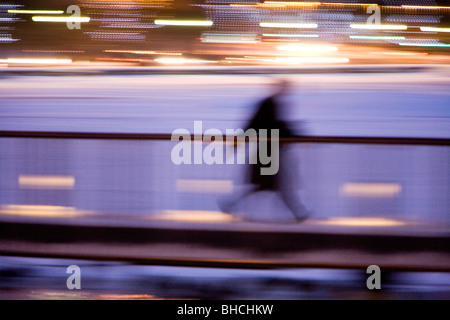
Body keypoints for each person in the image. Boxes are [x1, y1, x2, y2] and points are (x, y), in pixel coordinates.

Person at [220, 79, 310, 222]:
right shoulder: (270, 105)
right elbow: (274, 126)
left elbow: (257, 125)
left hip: (268, 150)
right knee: (277, 184)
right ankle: (299, 212)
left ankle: (230, 204)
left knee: (268, 185)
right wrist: (296, 135)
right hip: (268, 151)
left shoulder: (271, 104)